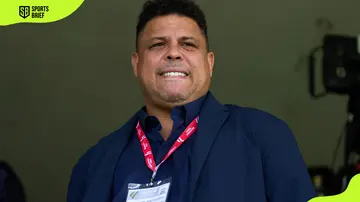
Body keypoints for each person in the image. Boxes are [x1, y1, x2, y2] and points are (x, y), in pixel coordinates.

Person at [67, 0, 316, 202]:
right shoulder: (94, 164)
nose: (174, 53)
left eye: (187, 44)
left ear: (209, 63)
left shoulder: (264, 136)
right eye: (157, 44)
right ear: (136, 63)